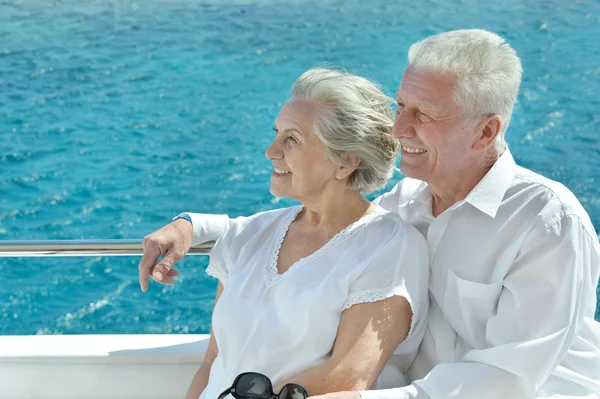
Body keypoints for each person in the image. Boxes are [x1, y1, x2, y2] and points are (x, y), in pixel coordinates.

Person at [139, 30, 600, 398]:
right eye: (401, 105)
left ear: (485, 130)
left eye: (423, 113)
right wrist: (190, 226)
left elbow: (507, 381)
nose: (398, 129)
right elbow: (311, 225)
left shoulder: (547, 223)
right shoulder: (407, 204)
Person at [145, 68, 430, 399]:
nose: (271, 150)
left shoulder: (388, 246)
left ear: (346, 160)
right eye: (276, 133)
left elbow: (347, 378)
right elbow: (214, 362)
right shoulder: (248, 237)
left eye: (292, 138)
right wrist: (187, 222)